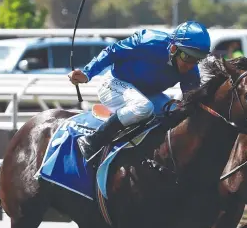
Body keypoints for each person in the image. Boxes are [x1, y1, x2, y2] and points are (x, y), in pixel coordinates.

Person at [68, 21, 211, 161]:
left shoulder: (191, 70)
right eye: (187, 57)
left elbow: (191, 102)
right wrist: (87, 73)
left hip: (147, 95)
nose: (190, 65)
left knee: (175, 113)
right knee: (143, 106)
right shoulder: (149, 41)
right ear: (173, 49)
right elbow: (112, 52)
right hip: (114, 84)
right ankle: (93, 141)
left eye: (197, 60)